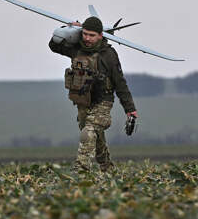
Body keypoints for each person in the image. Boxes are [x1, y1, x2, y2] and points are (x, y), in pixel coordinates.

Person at [49, 16, 138, 172]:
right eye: (85, 34)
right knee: (95, 136)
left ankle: (80, 170)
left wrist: (130, 109)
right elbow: (54, 46)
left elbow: (120, 83)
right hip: (83, 100)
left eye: (91, 35)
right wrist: (70, 30)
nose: (87, 38)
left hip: (103, 101)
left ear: (100, 36)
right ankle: (108, 168)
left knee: (88, 133)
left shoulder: (109, 54)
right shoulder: (77, 48)